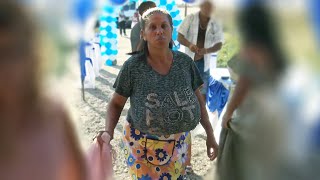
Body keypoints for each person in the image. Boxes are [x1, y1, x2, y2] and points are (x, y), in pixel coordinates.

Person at [98, 7, 218, 179]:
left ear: (171, 31)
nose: (159, 31)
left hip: (180, 146)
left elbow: (199, 101)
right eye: (152, 27)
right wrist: (108, 132)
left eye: (164, 26)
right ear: (143, 34)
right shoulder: (133, 67)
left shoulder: (185, 63)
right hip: (141, 147)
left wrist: (210, 135)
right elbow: (116, 103)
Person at [0, 1, 86, 180]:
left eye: (14, 51)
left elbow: (77, 174)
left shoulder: (53, 113)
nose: (5, 67)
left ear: (33, 52)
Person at [217, 2, 288, 180]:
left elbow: (243, 85)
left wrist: (228, 113)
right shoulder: (276, 51)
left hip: (249, 113)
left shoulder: (251, 51)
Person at [178, 0, 224, 100]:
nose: (208, 9)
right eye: (206, 6)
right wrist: (190, 45)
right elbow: (180, 37)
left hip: (204, 64)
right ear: (201, 6)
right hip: (190, 61)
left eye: (210, 7)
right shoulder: (190, 18)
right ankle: (189, 114)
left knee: (203, 93)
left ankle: (202, 115)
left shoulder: (215, 23)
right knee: (187, 91)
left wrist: (207, 50)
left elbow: (219, 44)